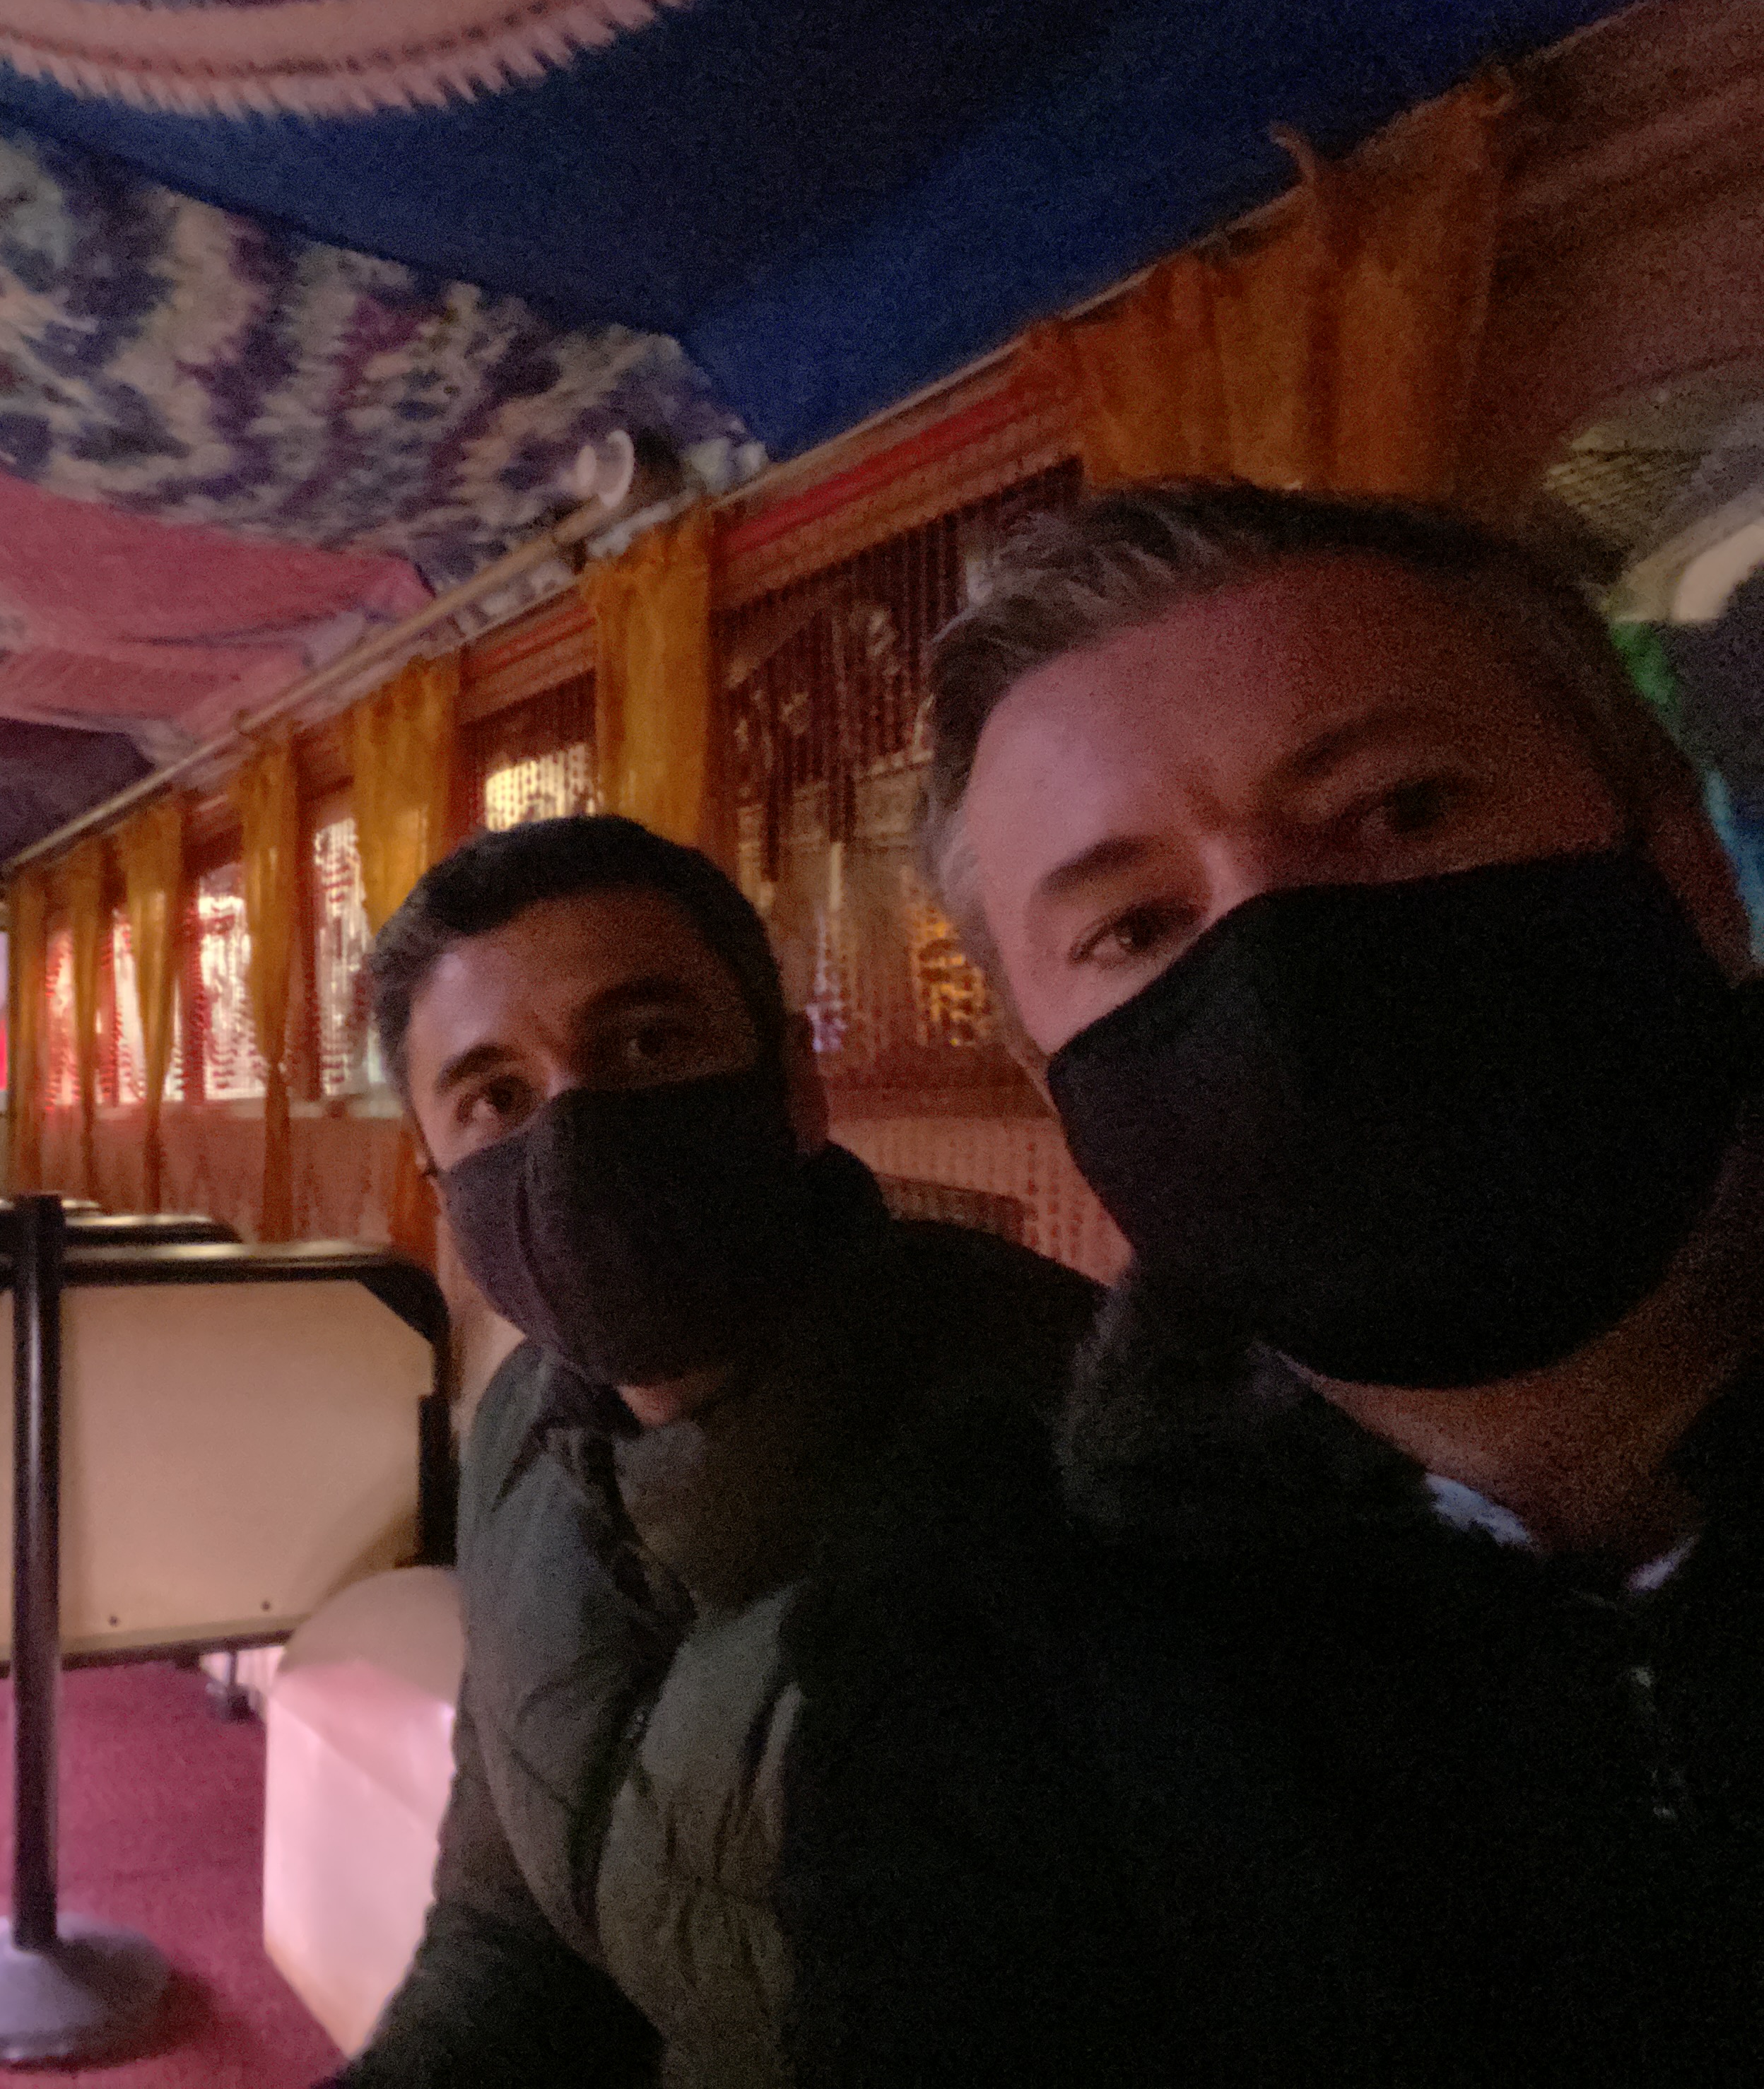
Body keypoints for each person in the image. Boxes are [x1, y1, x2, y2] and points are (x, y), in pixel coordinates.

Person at [824, 479, 1761, 2085]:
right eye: (1135, 926)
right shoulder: (976, 1634)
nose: (1279, 951)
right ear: (1056, 1086)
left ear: (1684, 858)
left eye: (1401, 810)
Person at [334, 814, 1098, 2087]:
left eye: (646, 1044)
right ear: (439, 1180)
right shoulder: (523, 1431)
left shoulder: (1065, 1465)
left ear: (794, 1087)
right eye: (497, 1097)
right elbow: (509, 1935)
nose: (575, 1136)